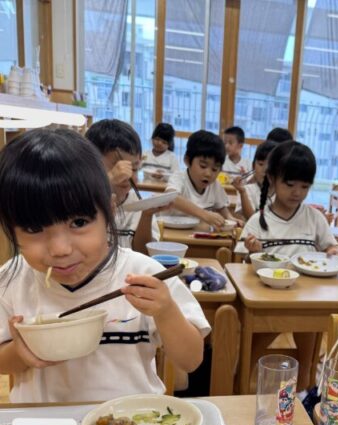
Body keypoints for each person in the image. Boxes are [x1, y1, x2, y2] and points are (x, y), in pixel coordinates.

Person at [0, 128, 210, 404]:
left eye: (78, 223)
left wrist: (166, 311)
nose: (60, 249)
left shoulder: (146, 274)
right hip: (45, 422)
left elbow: (191, 360)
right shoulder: (12, 279)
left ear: (110, 210)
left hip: (135, 418)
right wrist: (20, 353)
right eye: (33, 228)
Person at [235, 141, 338, 391]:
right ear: (272, 179)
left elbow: (331, 248)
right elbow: (240, 262)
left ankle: (304, 388)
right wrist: (252, 251)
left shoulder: (314, 218)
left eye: (304, 187)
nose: (297, 193)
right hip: (269, 299)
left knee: (308, 346)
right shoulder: (258, 220)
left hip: (307, 297)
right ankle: (241, 385)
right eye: (290, 184)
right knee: (256, 347)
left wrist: (332, 253)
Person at [85, 119, 160, 253]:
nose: (127, 175)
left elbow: (144, 253)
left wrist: (146, 215)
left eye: (134, 168)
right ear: (90, 163)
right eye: (118, 167)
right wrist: (108, 181)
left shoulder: (137, 203)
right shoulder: (81, 198)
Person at [165, 130, 240, 231]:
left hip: (199, 234)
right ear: (187, 160)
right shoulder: (179, 177)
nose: (208, 174)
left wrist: (230, 218)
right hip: (173, 233)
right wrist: (205, 214)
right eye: (203, 166)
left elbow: (221, 207)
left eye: (214, 169)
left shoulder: (215, 186)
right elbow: (172, 198)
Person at [232, 140, 277, 220]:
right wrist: (243, 192)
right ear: (253, 166)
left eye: (270, 166)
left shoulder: (281, 192)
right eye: (261, 164)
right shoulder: (247, 190)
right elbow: (251, 219)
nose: (265, 170)